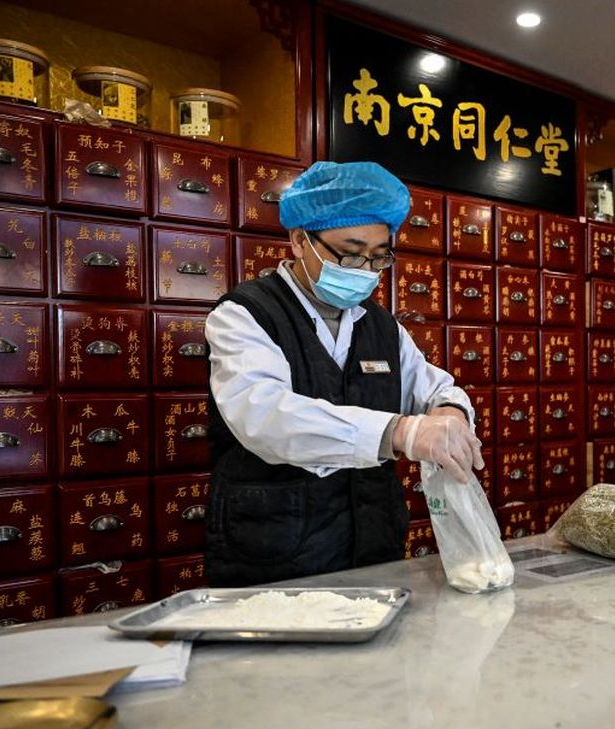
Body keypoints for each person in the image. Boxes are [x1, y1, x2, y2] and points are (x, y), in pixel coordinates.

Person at [204, 161, 483, 587]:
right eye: (350, 253)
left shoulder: (380, 324)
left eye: (378, 256)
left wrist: (449, 413)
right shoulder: (246, 315)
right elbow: (265, 418)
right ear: (300, 241)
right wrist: (399, 433)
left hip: (373, 547)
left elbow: (434, 386)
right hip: (274, 556)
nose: (365, 270)